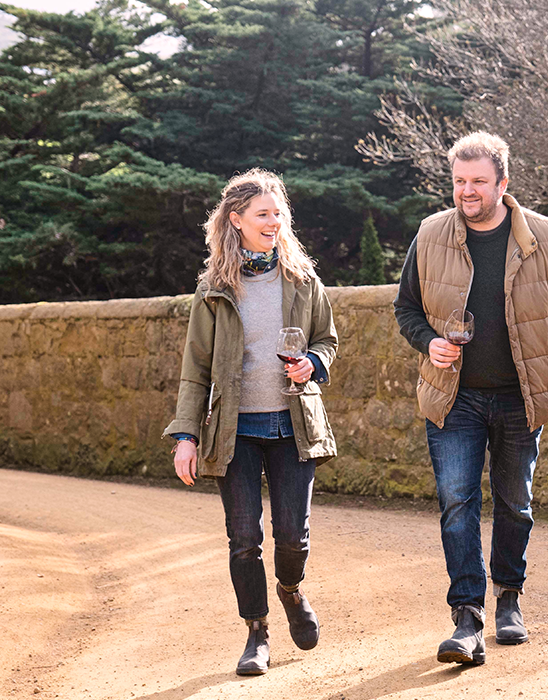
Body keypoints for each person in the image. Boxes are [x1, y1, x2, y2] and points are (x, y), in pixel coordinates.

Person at [393, 131, 548, 665]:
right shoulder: (430, 235)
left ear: (502, 183)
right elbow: (406, 310)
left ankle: (509, 598)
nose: (467, 191)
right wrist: (430, 342)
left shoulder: (542, 235)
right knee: (457, 504)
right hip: (452, 398)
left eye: (478, 181)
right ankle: (467, 617)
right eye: (459, 181)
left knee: (515, 503)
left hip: (521, 396)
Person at [164, 169, 338, 676]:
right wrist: (186, 436)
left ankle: (290, 589)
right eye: (263, 214)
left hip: (291, 426)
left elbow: (327, 339)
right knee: (244, 538)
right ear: (236, 221)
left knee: (292, 536)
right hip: (234, 431)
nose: (274, 221)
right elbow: (194, 368)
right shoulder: (214, 289)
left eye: (278, 213)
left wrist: (314, 363)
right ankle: (257, 633)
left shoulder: (304, 281)